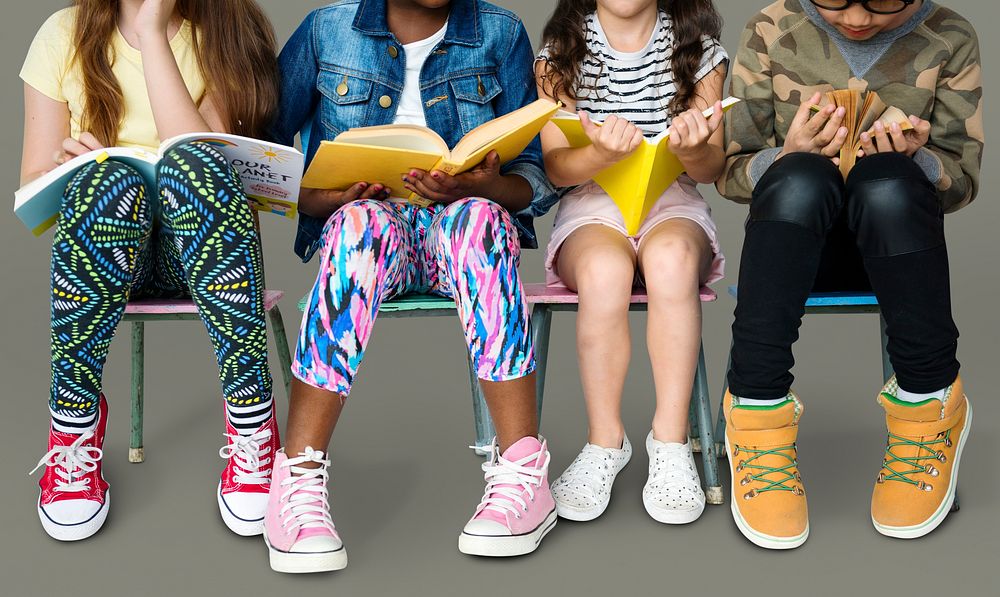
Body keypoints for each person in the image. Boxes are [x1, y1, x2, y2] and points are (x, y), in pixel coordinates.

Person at [265, 0, 559, 572]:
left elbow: (536, 177)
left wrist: (487, 187)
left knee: (479, 220)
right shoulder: (327, 31)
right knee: (356, 226)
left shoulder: (500, 34)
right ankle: (297, 481)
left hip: (461, 234)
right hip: (373, 234)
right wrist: (313, 198)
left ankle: (524, 471)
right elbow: (262, 155)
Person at [717, 0, 981, 549]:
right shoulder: (772, 28)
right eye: (836, 1)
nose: (858, 18)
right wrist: (786, 154)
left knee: (886, 180)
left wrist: (920, 159)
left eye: (882, 2)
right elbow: (730, 172)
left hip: (897, 250)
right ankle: (757, 413)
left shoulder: (950, 34)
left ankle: (930, 407)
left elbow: (962, 180)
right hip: (790, 248)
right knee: (800, 178)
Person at [22, 0, 281, 541]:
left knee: (195, 166)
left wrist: (150, 29)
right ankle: (72, 430)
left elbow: (200, 151)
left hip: (211, 261)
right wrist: (78, 168)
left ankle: (253, 426)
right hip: (112, 258)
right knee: (106, 180)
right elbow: (33, 188)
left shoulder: (232, 27)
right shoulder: (61, 34)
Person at [535, 0, 727, 524]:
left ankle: (670, 441)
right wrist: (600, 154)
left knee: (670, 261)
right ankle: (605, 441)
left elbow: (713, 167)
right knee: (605, 273)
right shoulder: (559, 54)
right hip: (593, 204)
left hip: (674, 201)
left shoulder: (700, 52)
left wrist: (692, 148)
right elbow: (556, 168)